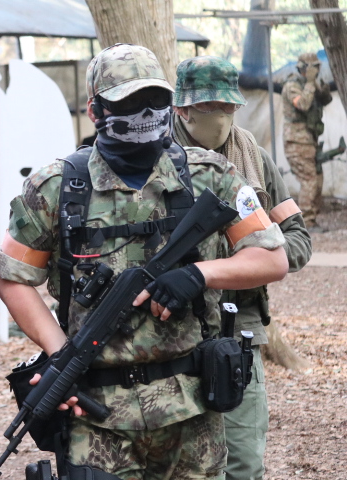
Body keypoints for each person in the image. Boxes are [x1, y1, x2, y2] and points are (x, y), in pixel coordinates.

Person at [0, 43, 289, 480]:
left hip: (191, 408)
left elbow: (272, 258)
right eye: (129, 102)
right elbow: (13, 277)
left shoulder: (211, 175)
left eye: (155, 99)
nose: (145, 112)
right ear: (95, 111)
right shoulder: (58, 186)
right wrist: (61, 354)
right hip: (97, 416)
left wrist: (199, 274)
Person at [172, 55, 312, 480]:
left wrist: (252, 256)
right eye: (209, 106)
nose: (221, 115)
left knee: (242, 463)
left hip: (238, 327)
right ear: (182, 108)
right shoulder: (154, 160)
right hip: (169, 327)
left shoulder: (255, 159)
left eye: (228, 106)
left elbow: (298, 239)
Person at [281, 52, 333, 232]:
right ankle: (306, 222)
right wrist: (311, 83)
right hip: (296, 142)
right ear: (304, 68)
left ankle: (312, 218)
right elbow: (302, 104)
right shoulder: (292, 86)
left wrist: (322, 91)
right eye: (314, 67)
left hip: (309, 140)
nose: (317, 71)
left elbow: (323, 101)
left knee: (317, 179)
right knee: (309, 180)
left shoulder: (309, 85)